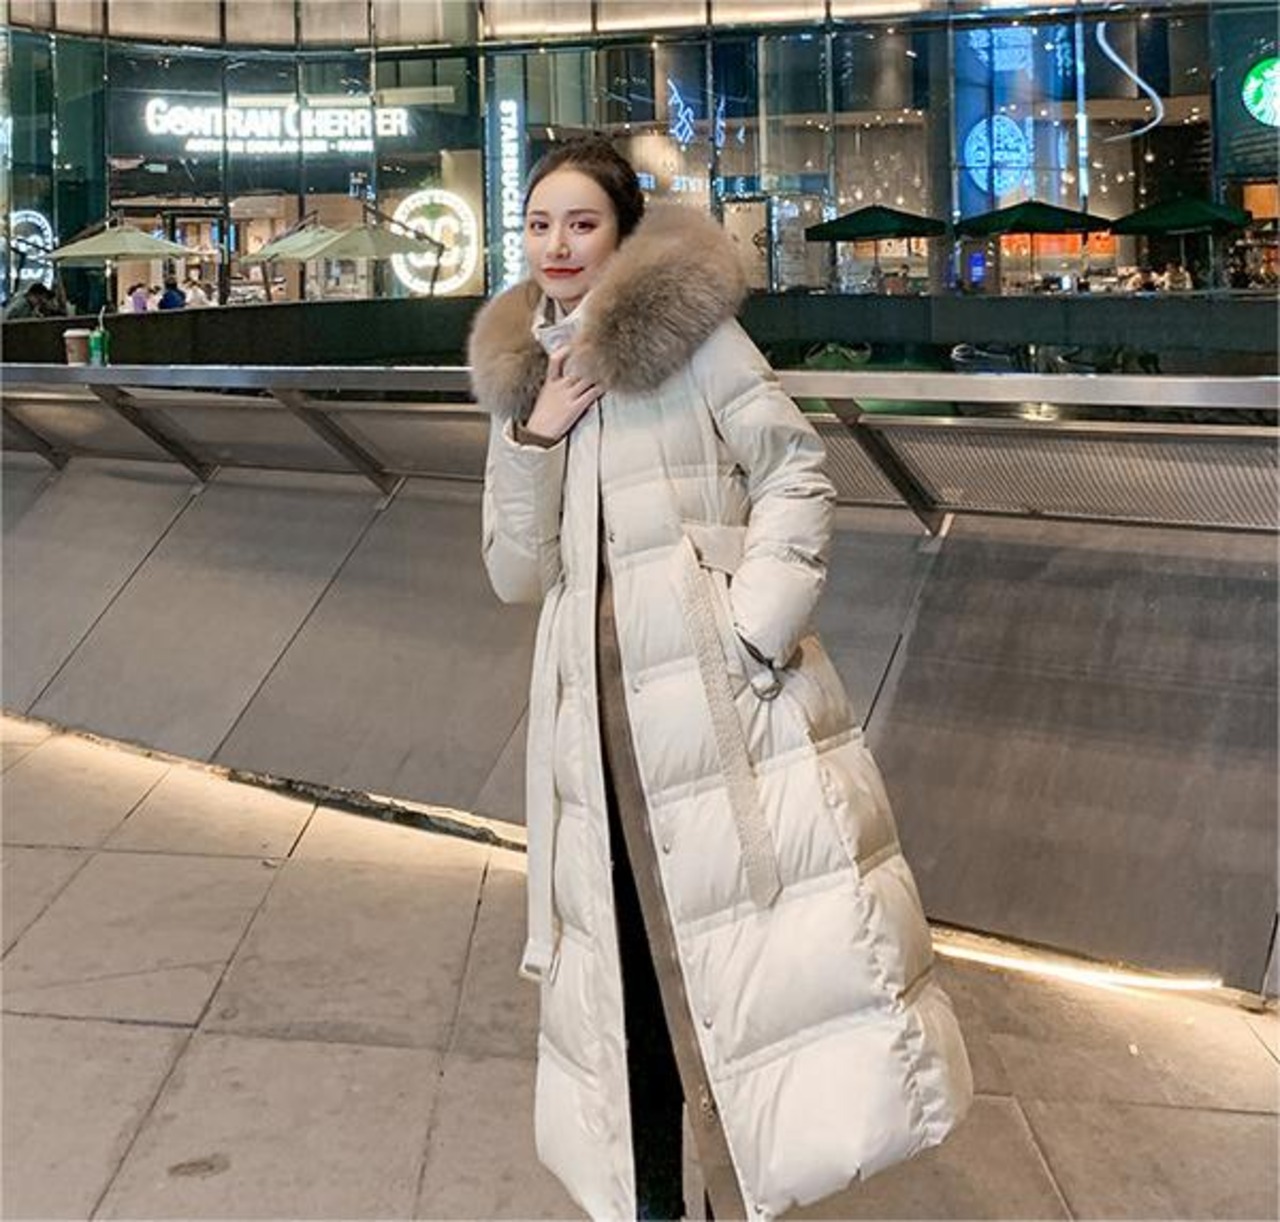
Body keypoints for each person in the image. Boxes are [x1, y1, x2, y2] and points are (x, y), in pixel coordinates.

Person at [470, 135, 971, 1222]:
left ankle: (736, 1187)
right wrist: (533, 436)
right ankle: (659, 1199)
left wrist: (754, 629)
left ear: (622, 232)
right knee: (625, 978)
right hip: (592, 734)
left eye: (581, 223)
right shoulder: (526, 376)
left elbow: (795, 468)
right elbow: (516, 572)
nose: (557, 246)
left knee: (735, 970)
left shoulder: (693, 342)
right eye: (539, 224)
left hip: (713, 708)